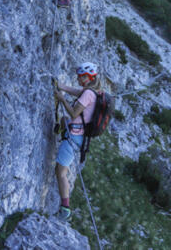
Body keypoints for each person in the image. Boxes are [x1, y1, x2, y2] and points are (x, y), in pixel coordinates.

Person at [54, 62, 100, 221]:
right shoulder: (92, 92)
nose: (79, 79)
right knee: (64, 120)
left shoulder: (88, 94)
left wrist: (61, 99)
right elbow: (77, 92)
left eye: (81, 77)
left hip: (73, 137)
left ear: (88, 77)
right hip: (78, 136)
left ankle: (65, 209)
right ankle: (59, 130)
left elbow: (74, 113)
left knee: (60, 172)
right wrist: (62, 87)